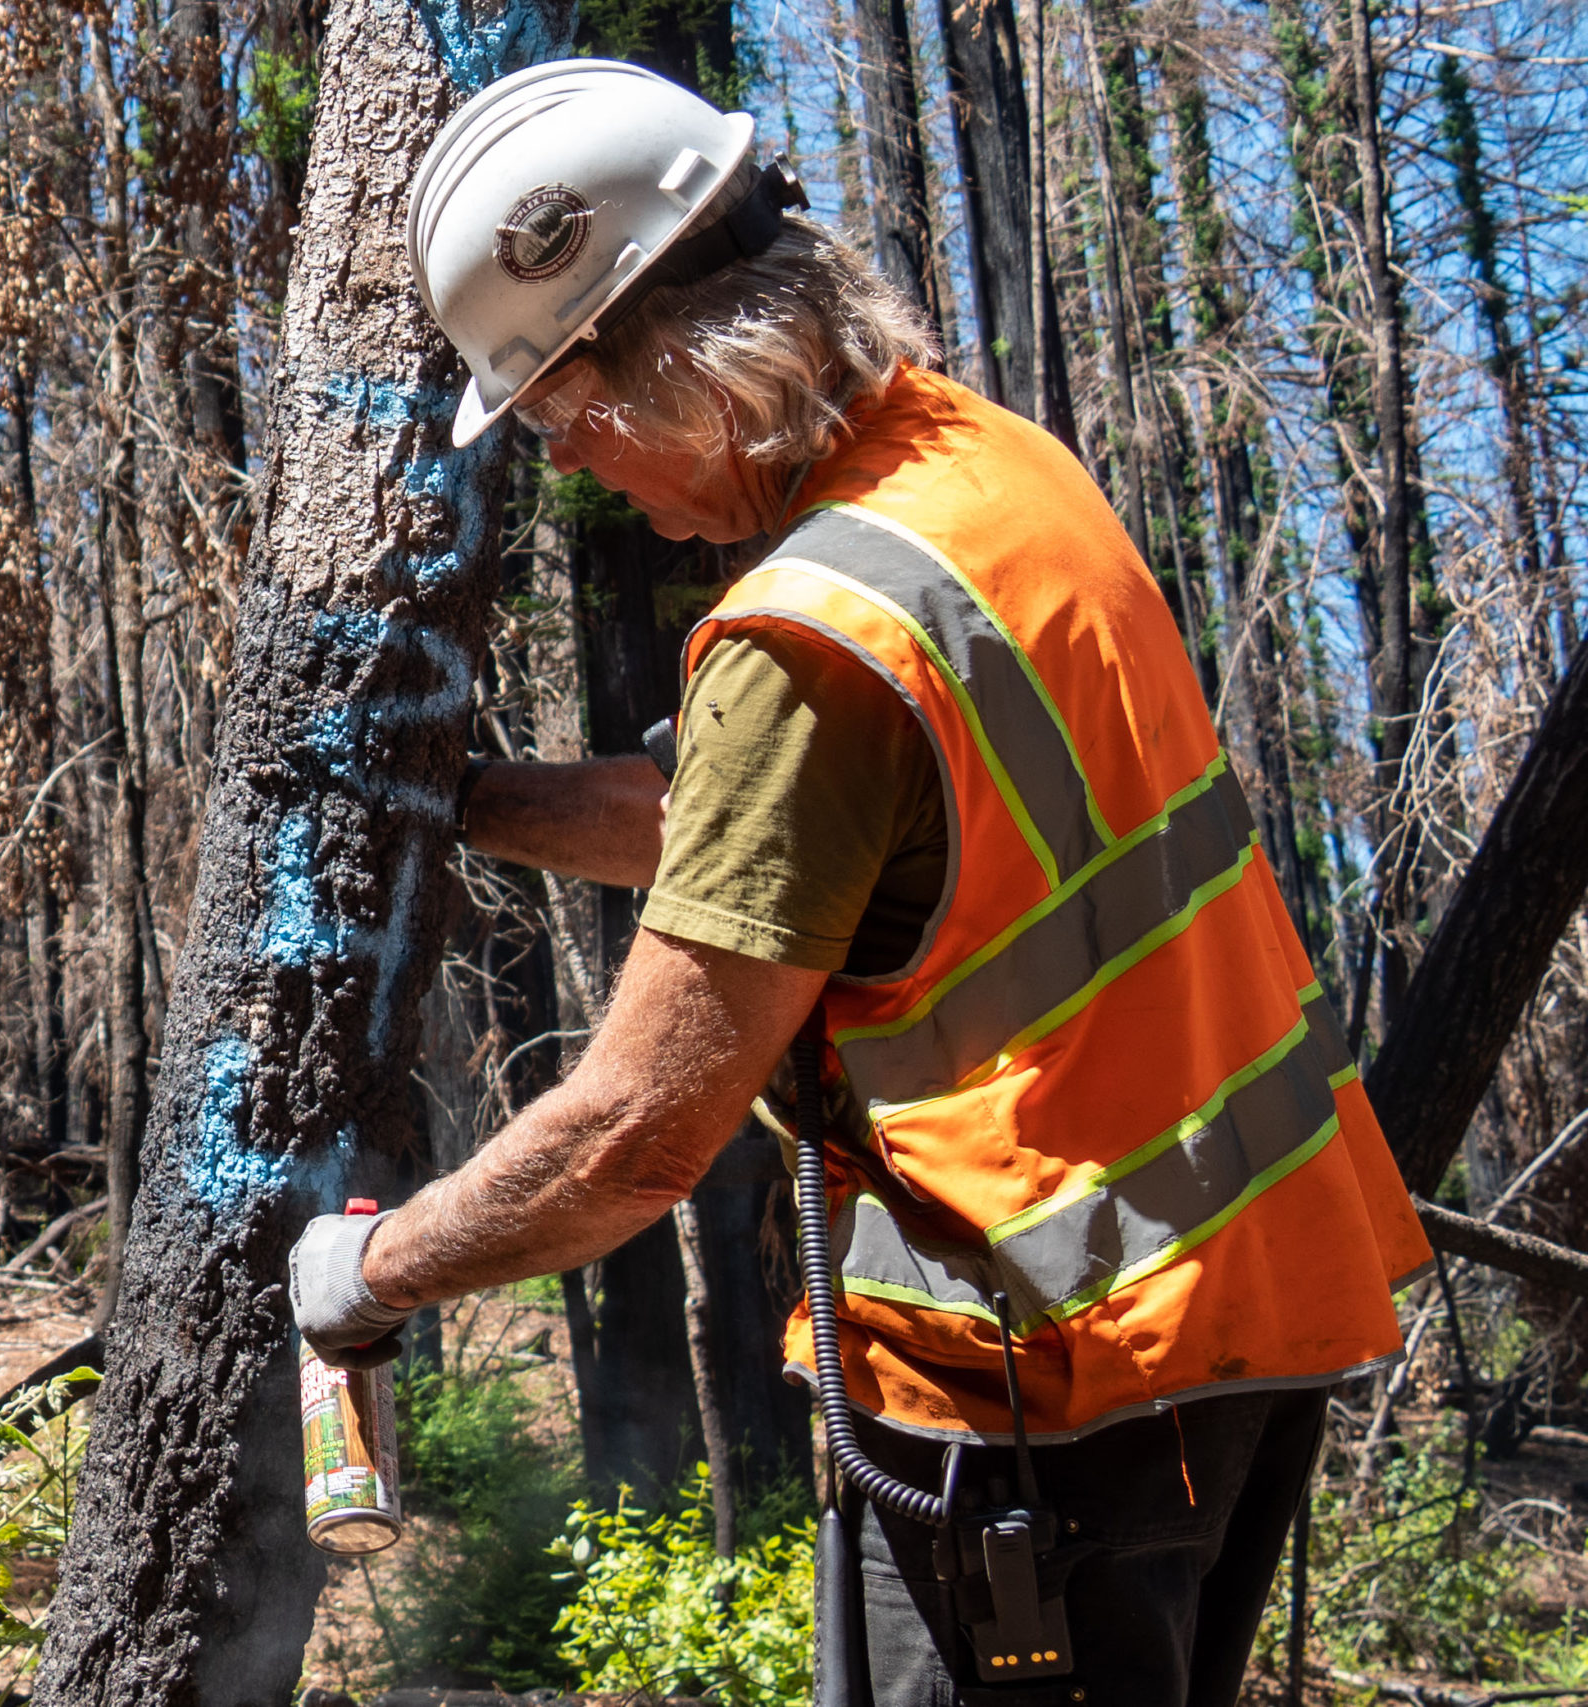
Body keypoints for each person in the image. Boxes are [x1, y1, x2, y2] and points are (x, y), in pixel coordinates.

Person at [288, 59, 1432, 1707]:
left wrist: (371, 1271)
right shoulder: (980, 477)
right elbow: (774, 836)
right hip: (1235, 1329)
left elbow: (631, 1139)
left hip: (1038, 1401)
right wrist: (472, 801)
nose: (571, 469)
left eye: (561, 416)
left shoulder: (813, 641)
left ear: (678, 363)